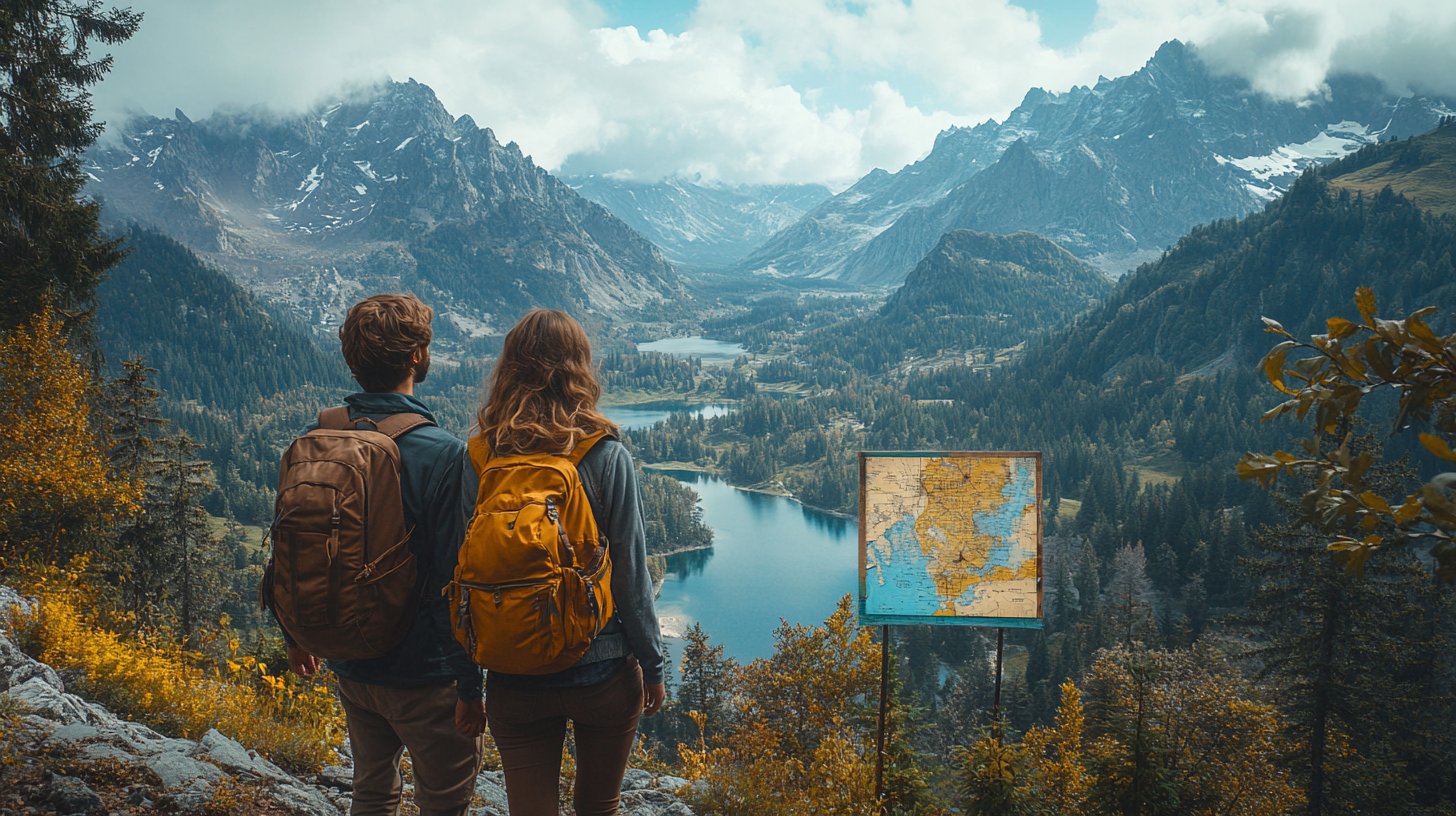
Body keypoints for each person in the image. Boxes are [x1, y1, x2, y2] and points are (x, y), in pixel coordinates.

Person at [286, 293, 485, 816]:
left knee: (371, 791)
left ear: (351, 360)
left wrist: (298, 634)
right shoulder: (444, 453)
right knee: (443, 799)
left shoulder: (318, 437)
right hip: (426, 673)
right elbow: (453, 578)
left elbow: (293, 542)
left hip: (351, 660)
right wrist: (471, 685)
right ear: (419, 357)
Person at [476, 308, 666, 816]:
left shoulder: (479, 457)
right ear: (579, 368)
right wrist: (653, 664)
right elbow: (630, 576)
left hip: (512, 673)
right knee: (598, 807)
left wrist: (468, 684)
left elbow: (458, 578)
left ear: (509, 369)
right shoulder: (605, 455)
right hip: (601, 669)